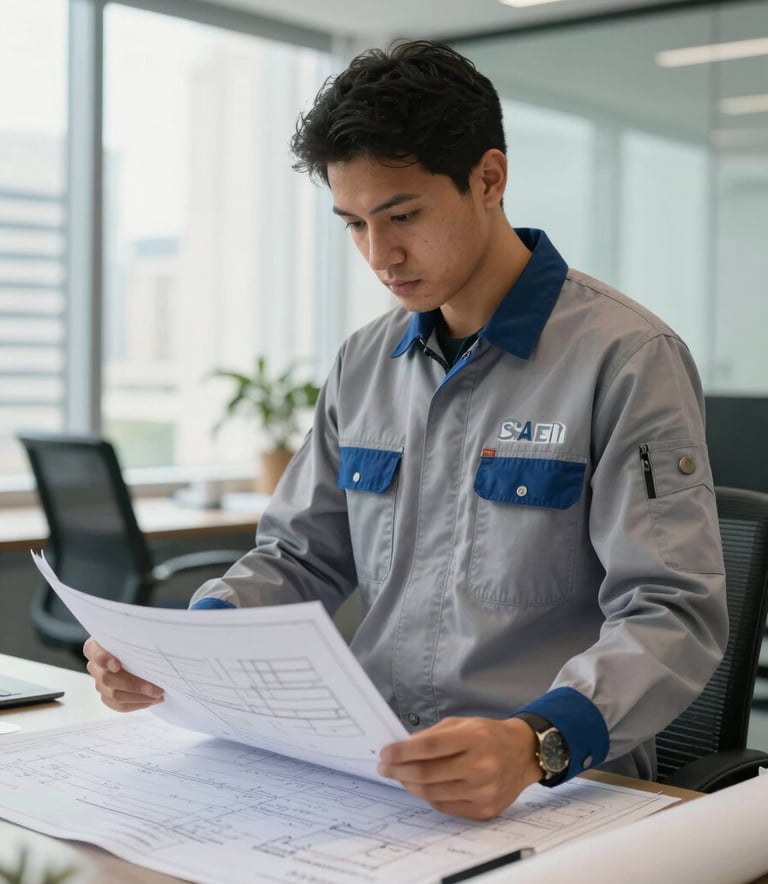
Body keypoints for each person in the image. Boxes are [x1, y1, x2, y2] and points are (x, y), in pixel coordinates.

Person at [84, 40, 727, 821]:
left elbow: (672, 612)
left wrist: (535, 743)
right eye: (353, 224)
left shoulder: (626, 359)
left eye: (403, 216)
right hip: (368, 770)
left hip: (550, 784)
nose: (380, 256)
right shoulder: (365, 361)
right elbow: (300, 556)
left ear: (489, 179)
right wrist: (184, 651)